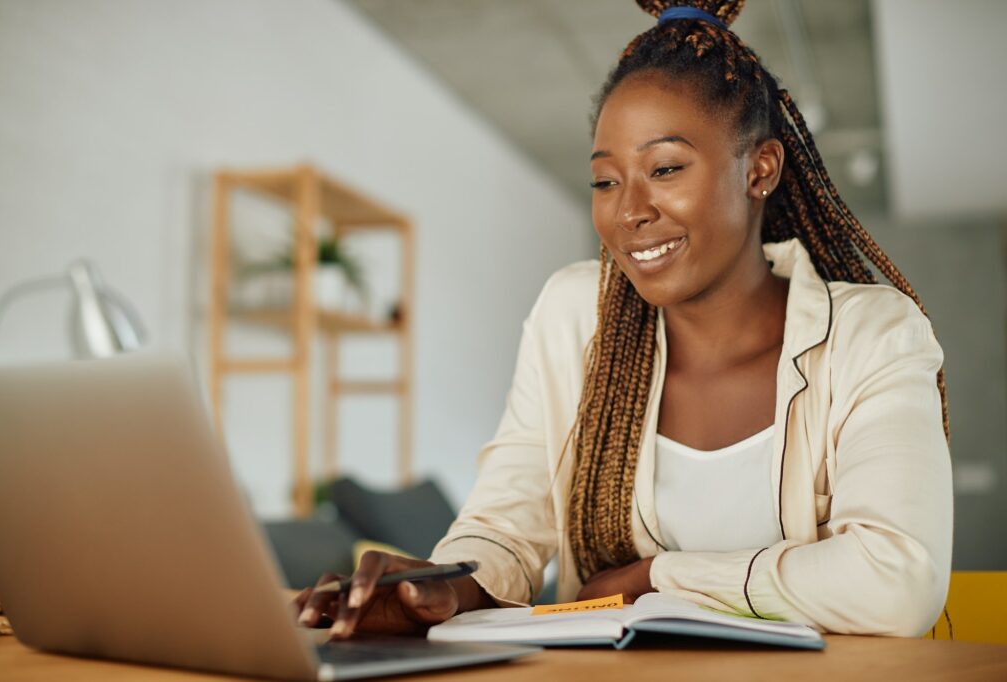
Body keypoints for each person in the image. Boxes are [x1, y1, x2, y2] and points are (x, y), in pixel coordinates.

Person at [294, 0, 952, 639]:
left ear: (760, 170)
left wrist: (660, 577)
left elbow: (897, 582)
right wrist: (439, 587)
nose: (628, 211)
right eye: (606, 181)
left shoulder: (873, 336)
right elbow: (504, 527)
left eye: (665, 169)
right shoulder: (574, 316)